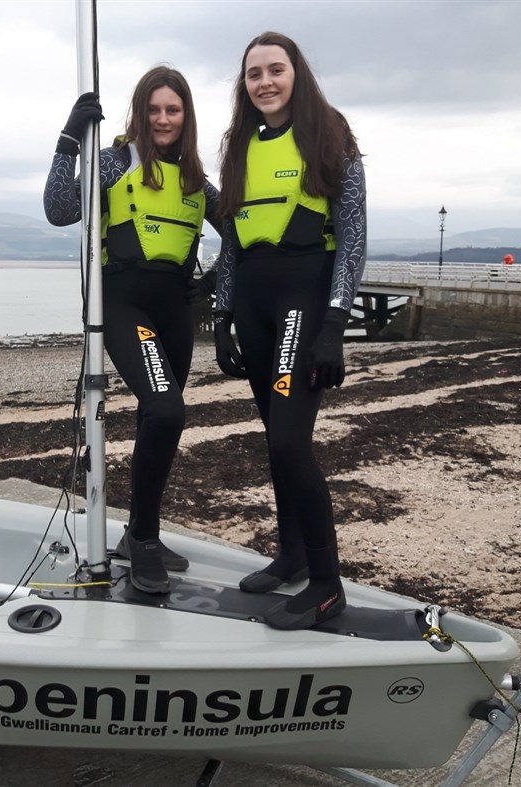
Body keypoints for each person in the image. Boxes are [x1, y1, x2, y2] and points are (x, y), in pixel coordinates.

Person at [44, 66, 222, 595]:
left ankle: (140, 534)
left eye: (174, 109)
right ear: (140, 112)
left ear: (186, 116)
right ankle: (142, 541)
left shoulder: (196, 179)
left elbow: (240, 232)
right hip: (123, 304)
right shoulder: (114, 160)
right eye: (154, 109)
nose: (163, 119)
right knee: (168, 408)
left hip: (175, 312)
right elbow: (58, 209)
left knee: (157, 418)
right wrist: (67, 141)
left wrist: (213, 283)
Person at [213, 32, 366, 629]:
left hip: (303, 301)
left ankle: (327, 585)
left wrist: (335, 322)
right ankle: (294, 555)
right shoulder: (238, 144)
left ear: (296, 74)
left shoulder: (329, 132)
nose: (265, 82)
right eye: (254, 74)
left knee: (287, 441)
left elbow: (351, 234)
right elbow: (230, 236)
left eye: (276, 70)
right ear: (244, 85)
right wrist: (223, 319)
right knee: (274, 435)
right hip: (253, 304)